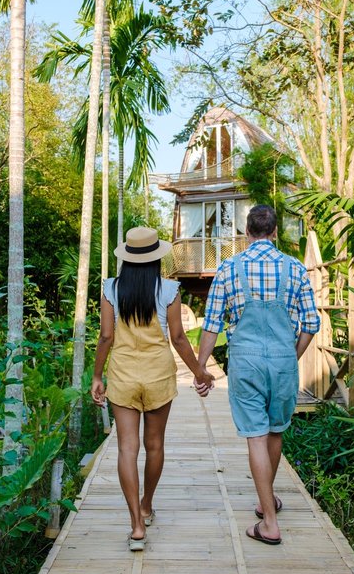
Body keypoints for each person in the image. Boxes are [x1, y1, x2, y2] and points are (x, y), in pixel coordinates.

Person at [197, 204, 320, 545]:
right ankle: (269, 501)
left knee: (255, 435)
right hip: (282, 359)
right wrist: (290, 357)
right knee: (275, 431)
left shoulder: (229, 268)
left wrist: (201, 367)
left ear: (247, 233)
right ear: (276, 232)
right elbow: (311, 324)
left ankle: (268, 521)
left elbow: (211, 324)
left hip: (245, 362)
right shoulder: (295, 268)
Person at [91, 226, 214, 551]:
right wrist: (200, 373)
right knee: (155, 445)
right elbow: (177, 338)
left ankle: (135, 526)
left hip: (123, 375)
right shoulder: (170, 290)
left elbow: (106, 337)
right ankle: (146, 505)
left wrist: (96, 376)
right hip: (159, 375)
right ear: (155, 258)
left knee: (127, 449)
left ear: (127, 259)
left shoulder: (110, 289)